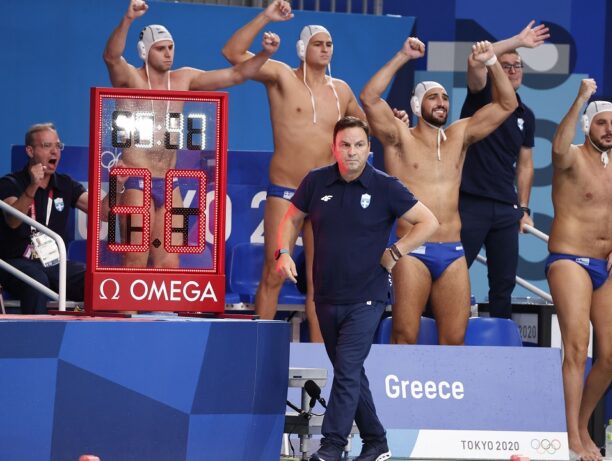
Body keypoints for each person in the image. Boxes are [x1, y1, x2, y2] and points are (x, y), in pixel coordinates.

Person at [275, 116, 438, 461]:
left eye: (359, 145)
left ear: (368, 148)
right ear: (334, 147)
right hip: (326, 297)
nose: (352, 152)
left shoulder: (385, 186)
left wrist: (396, 252)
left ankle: (331, 447)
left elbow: (429, 222)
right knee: (350, 373)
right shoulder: (316, 181)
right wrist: (283, 252)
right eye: (345, 145)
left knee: (347, 368)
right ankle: (377, 441)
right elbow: (291, 219)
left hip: (367, 297)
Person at [221, 0, 367, 342]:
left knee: (320, 282)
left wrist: (393, 120)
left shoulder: (341, 91)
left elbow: (366, 127)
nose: (325, 49)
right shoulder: (281, 76)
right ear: (302, 49)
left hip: (326, 194)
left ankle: (321, 358)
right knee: (274, 271)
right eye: (318, 43)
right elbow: (232, 53)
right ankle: (257, 351)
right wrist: (266, 17)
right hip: (286, 191)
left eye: (329, 44)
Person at [359, 37, 517, 345]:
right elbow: (369, 97)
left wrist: (491, 62)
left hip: (453, 251)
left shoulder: (460, 135)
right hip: (413, 250)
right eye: (433, 98)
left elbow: (506, 104)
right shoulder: (399, 137)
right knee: (405, 334)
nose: (441, 102)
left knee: (455, 339)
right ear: (417, 105)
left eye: (445, 97)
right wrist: (403, 55)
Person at [103, 0, 271, 268]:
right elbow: (111, 57)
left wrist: (264, 54)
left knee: (170, 262)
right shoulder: (131, 80)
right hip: (136, 179)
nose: (168, 53)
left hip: (171, 182)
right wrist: (128, 19)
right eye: (160, 48)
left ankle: (161, 299)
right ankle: (128, 299)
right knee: (135, 257)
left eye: (170, 47)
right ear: (144, 51)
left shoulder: (183, 79)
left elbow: (236, 75)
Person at [546, 79, 612, 461]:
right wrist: (581, 98)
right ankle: (571, 436)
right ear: (587, 126)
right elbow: (557, 147)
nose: (609, 129)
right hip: (569, 259)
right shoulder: (570, 157)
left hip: (607, 265)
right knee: (576, 346)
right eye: (602, 123)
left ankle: (582, 425)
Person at [459, 21, 549, 318]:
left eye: (517, 66)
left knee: (503, 285)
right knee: (452, 273)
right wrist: (518, 41)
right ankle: (436, 336)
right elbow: (476, 59)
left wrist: (523, 208)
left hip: (505, 208)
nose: (512, 71)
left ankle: (499, 343)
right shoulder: (481, 97)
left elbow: (525, 164)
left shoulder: (526, 115)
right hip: (470, 202)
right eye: (506, 65)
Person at [0, 123, 89, 314]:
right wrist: (33, 186)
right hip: (15, 262)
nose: (55, 151)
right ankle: (36, 333)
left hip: (52, 263)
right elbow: (13, 220)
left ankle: (93, 331)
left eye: (58, 146)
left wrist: (118, 185)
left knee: (92, 279)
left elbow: (102, 211)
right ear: (30, 151)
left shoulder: (65, 184)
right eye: (47, 146)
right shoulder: (10, 183)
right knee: (37, 282)